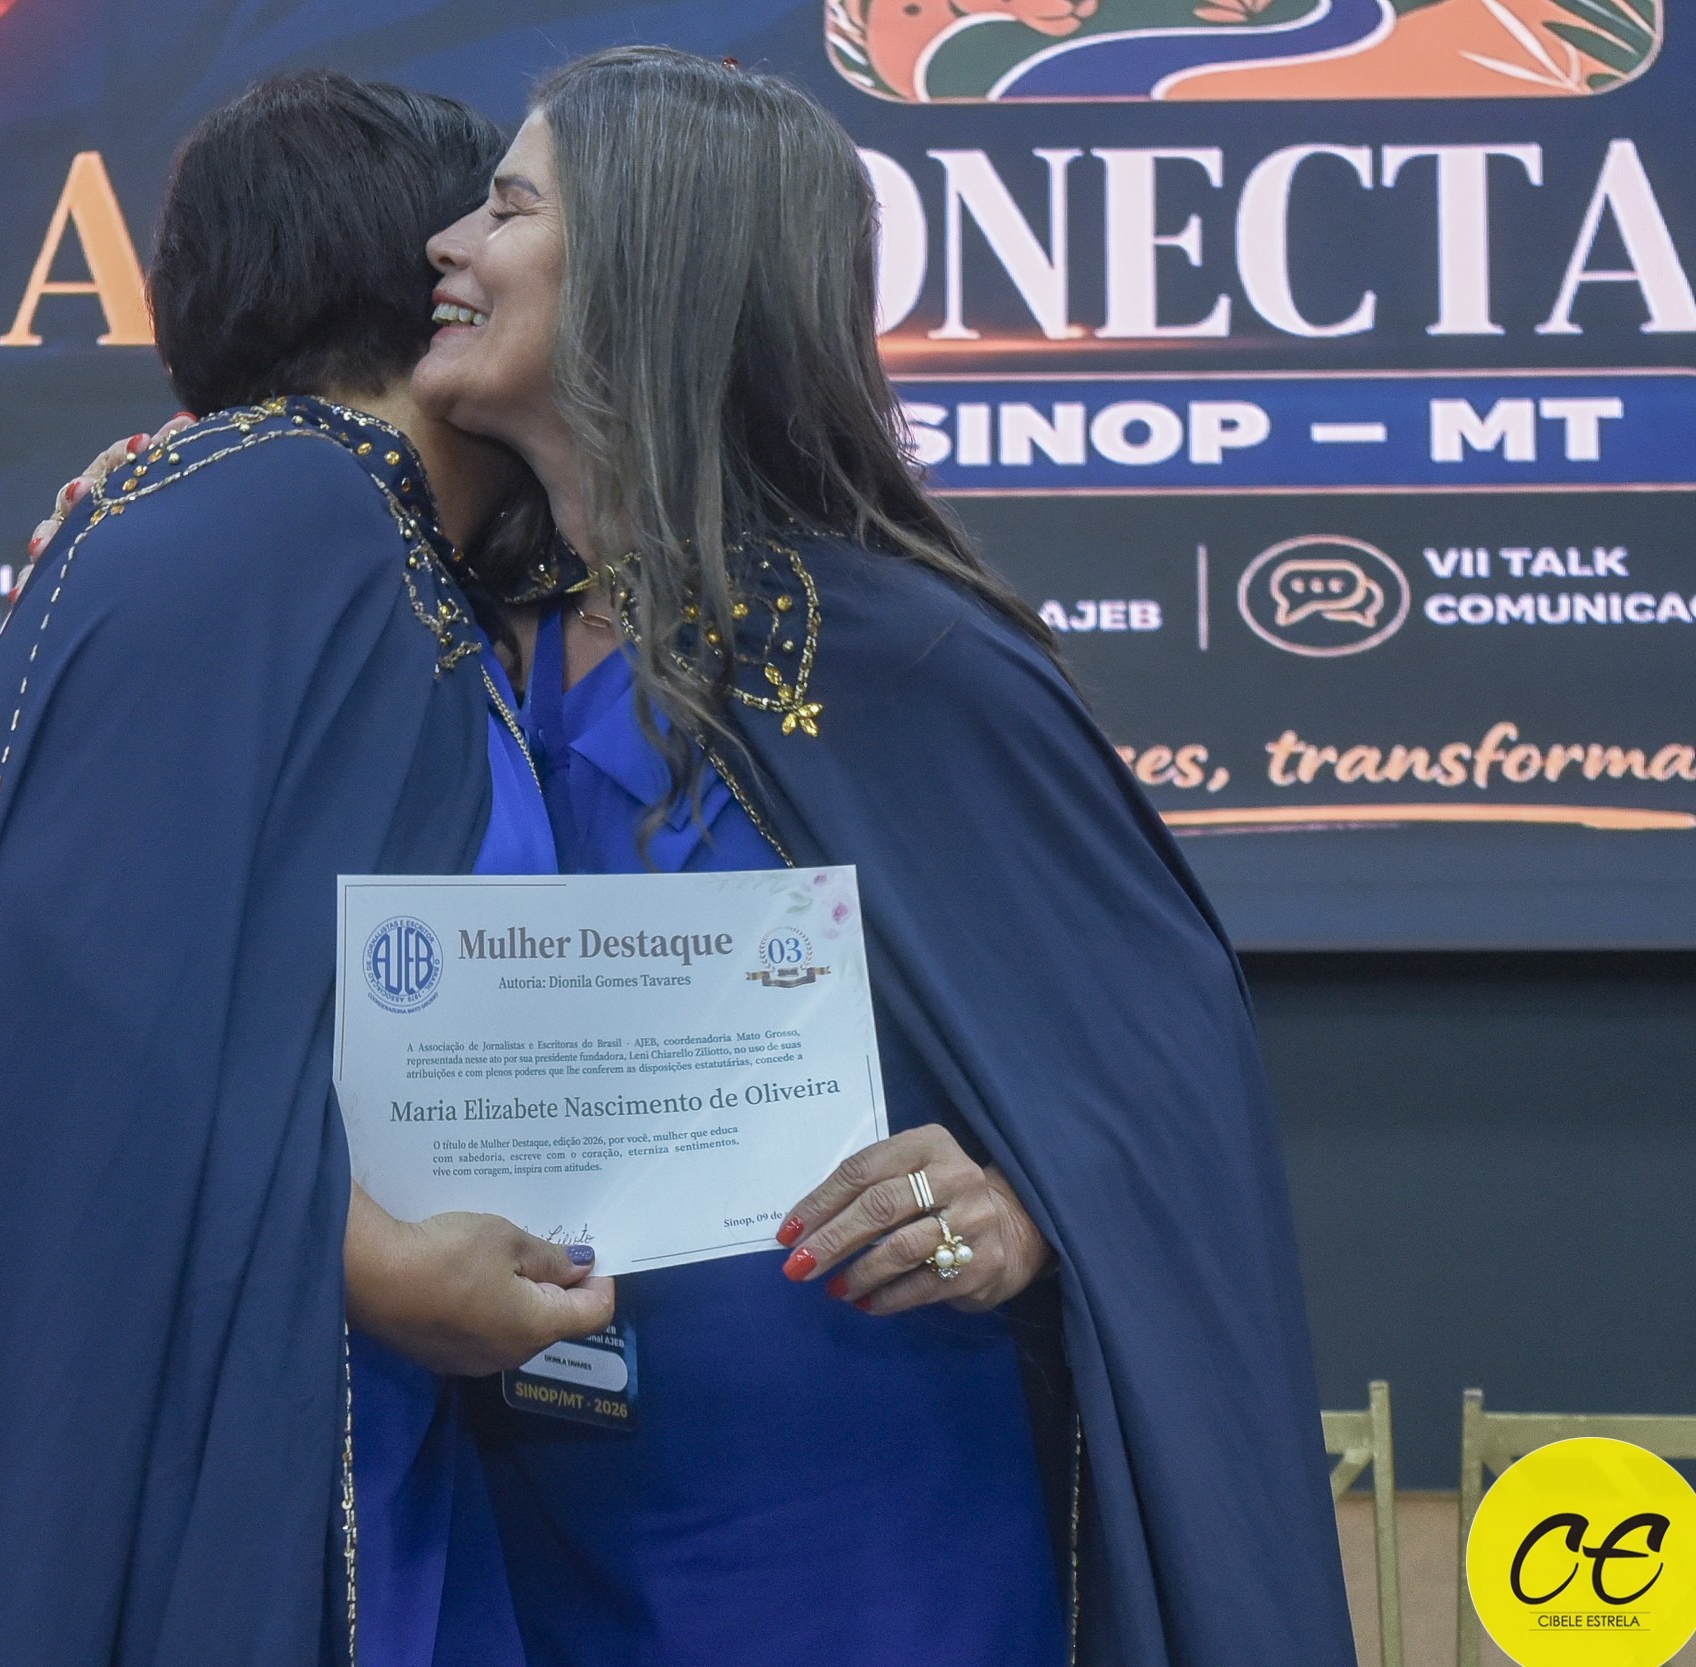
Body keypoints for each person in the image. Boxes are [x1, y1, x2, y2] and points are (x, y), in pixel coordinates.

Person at [413, 47, 1358, 1667]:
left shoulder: (907, 661)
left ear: (650, 264)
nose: (448, 242)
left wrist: (1024, 1208)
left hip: (858, 1538)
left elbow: (1165, 1076)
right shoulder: (447, 642)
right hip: (505, 1521)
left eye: (508, 208)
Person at [0, 73, 607, 1667]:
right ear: (424, 263)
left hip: (355, 1428)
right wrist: (371, 1260)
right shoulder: (293, 514)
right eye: (489, 212)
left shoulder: (343, 530)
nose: (495, 248)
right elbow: (89, 1020)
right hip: (234, 1451)